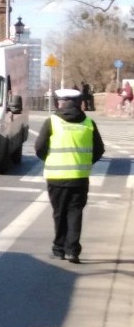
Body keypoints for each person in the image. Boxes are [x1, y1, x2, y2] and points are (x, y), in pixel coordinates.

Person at [34, 88, 104, 264]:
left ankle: (58, 249)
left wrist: (49, 160)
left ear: (60, 103)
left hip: (56, 176)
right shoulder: (88, 123)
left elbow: (39, 147)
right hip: (80, 176)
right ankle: (72, 251)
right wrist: (85, 162)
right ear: (79, 103)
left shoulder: (52, 122)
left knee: (59, 212)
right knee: (75, 212)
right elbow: (99, 149)